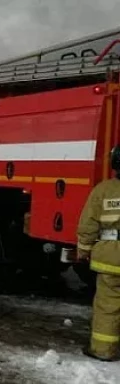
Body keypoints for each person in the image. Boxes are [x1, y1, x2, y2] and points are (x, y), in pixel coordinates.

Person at [76, 145, 120, 362]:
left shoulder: (103, 191)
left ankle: (103, 350)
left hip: (111, 259)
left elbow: (88, 225)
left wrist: (83, 250)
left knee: (108, 305)